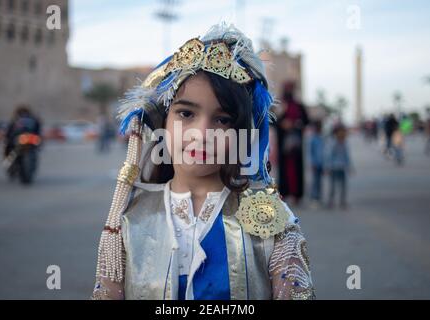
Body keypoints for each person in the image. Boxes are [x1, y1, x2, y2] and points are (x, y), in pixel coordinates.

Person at [91, 23, 314, 300]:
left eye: (222, 120)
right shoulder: (128, 218)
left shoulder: (273, 221)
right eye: (186, 114)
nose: (202, 134)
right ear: (163, 122)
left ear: (243, 134)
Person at [276, 82, 309, 206]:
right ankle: (285, 193)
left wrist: (295, 124)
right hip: (284, 144)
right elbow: (273, 120)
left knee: (297, 169)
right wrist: (282, 124)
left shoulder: (299, 106)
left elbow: (306, 121)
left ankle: (297, 195)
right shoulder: (280, 105)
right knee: (284, 169)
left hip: (296, 144)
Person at [325, 124, 353, 209]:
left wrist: (349, 166)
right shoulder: (333, 142)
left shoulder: (344, 143)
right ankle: (331, 202)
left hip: (342, 167)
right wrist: (328, 166)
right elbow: (329, 155)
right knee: (333, 186)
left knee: (343, 186)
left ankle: (342, 201)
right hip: (334, 167)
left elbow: (347, 155)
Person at [308, 120, 325, 207]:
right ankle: (314, 198)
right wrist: (311, 163)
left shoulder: (322, 138)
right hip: (315, 163)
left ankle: (319, 197)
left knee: (320, 182)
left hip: (322, 163)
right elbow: (310, 152)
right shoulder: (313, 138)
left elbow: (325, 151)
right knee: (315, 181)